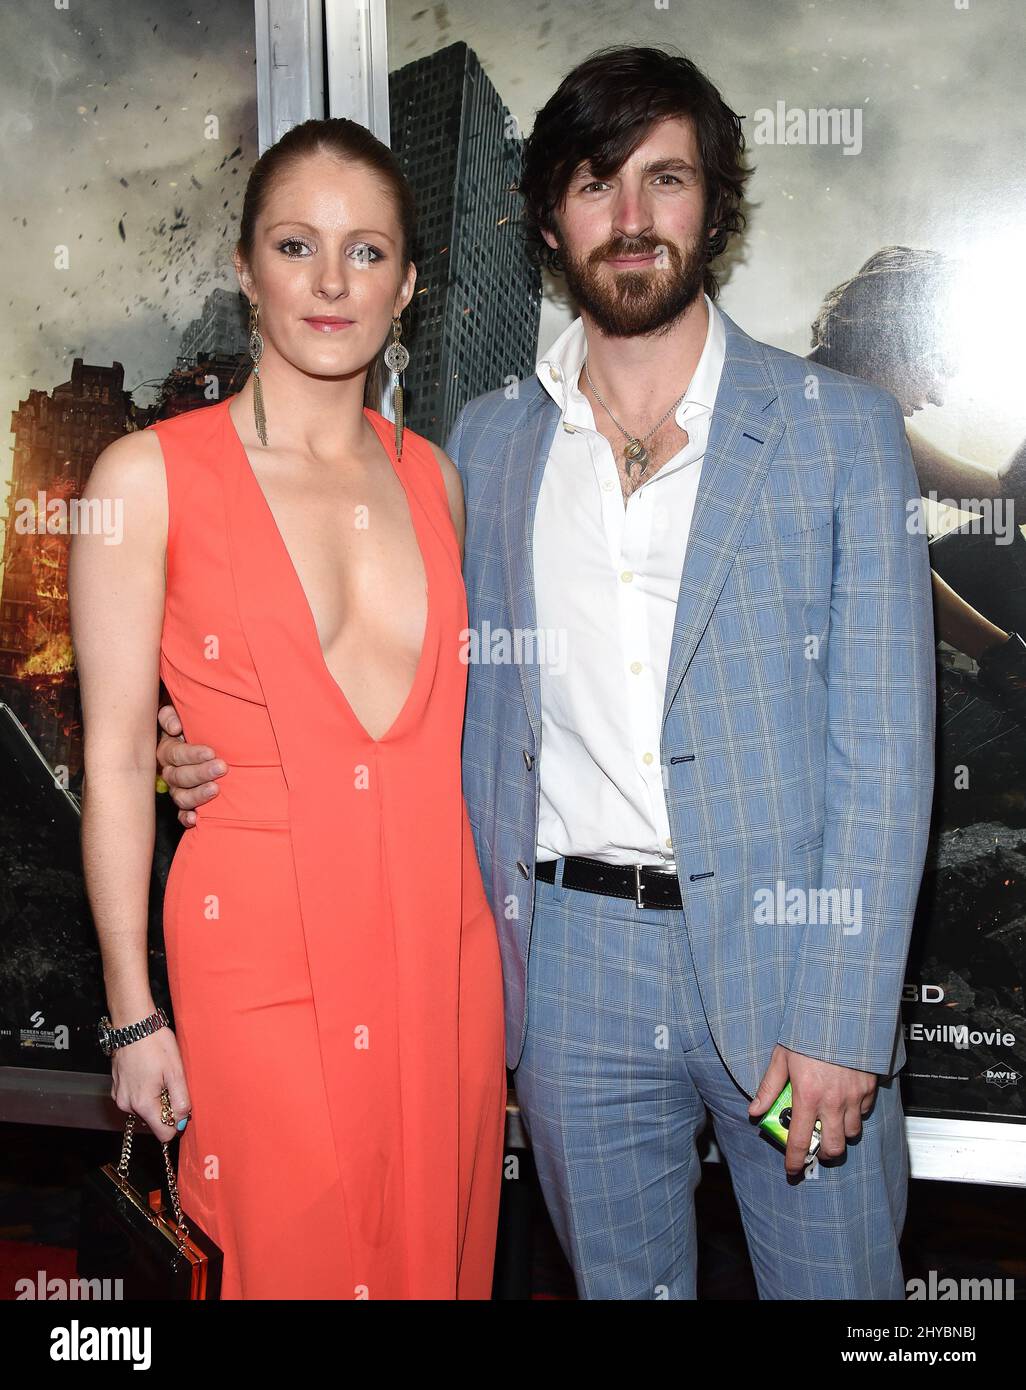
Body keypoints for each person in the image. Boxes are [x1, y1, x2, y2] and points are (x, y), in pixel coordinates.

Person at [158, 46, 937, 1299]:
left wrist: (847, 1015)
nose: (630, 220)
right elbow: (384, 674)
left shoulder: (838, 431)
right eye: (592, 183)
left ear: (714, 207)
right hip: (570, 980)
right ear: (547, 223)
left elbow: (889, 750)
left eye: (664, 179)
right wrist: (202, 728)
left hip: (790, 974)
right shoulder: (487, 447)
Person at [69, 117, 506, 1300]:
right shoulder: (147, 476)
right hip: (253, 950)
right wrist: (130, 1011)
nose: (330, 281)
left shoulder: (438, 482)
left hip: (442, 952)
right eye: (296, 244)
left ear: (408, 284)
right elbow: (114, 764)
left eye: (367, 253)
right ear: (245, 268)